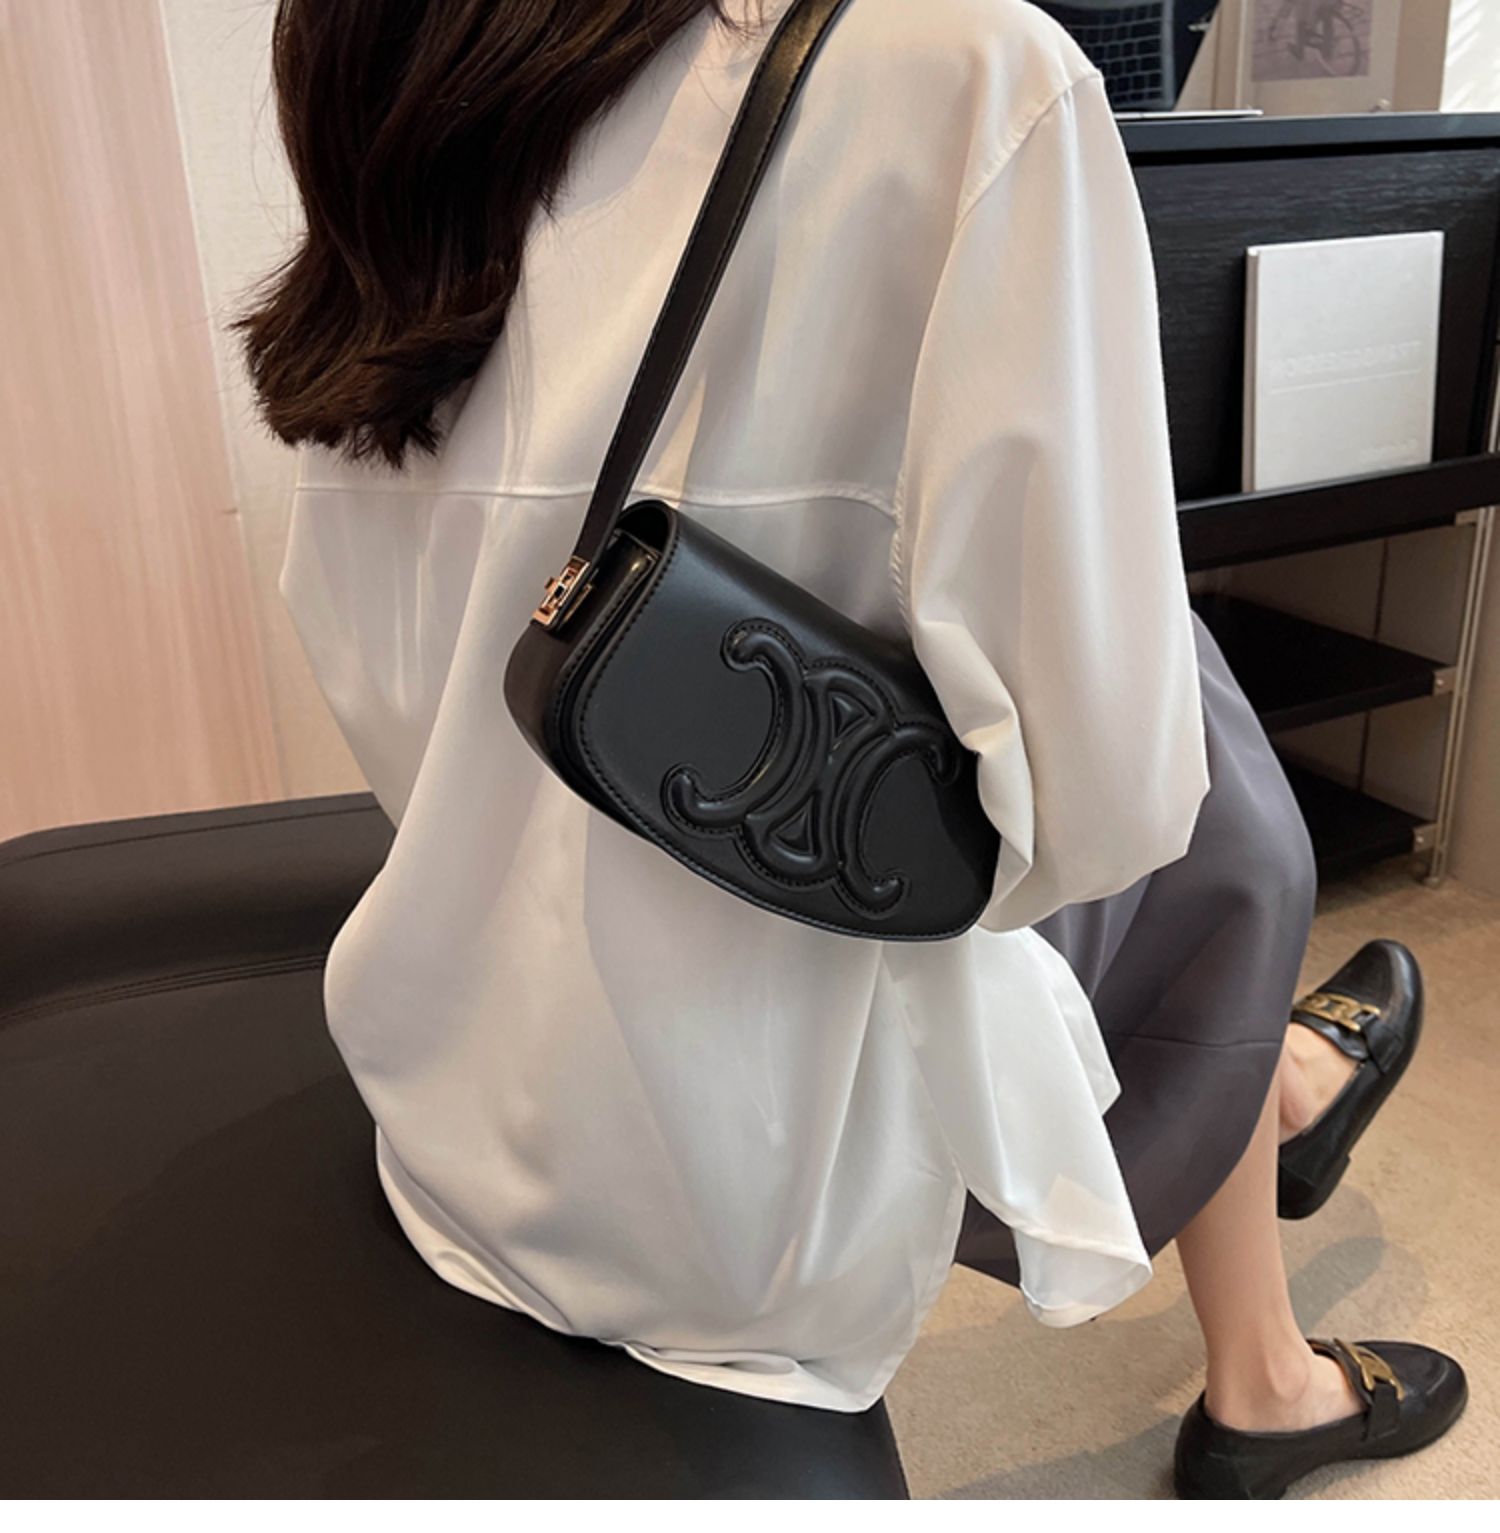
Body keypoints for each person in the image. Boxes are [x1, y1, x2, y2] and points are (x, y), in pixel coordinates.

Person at [240, 0, 1466, 1499]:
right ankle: (1267, 1157)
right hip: (754, 1198)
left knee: (1181, 761)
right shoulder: (969, 74)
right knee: (1215, 804)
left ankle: (1267, 1148)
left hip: (450, 1086)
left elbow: (359, 635)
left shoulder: (387, 53)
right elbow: (1109, 807)